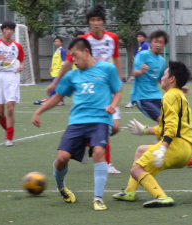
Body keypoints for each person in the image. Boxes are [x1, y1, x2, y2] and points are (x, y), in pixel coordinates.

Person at [32, 38, 122, 210]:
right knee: (62, 158)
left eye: (75, 55)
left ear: (86, 52)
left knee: (98, 152)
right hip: (77, 122)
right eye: (71, 56)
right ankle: (61, 187)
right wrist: (39, 111)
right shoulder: (72, 75)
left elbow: (118, 90)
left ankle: (98, 199)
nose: (72, 59)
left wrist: (113, 105)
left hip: (100, 121)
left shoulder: (107, 69)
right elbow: (58, 97)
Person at [46, 4, 122, 174]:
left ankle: (90, 142)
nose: (96, 23)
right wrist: (55, 82)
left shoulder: (112, 38)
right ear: (89, 23)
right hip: (91, 87)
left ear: (103, 22)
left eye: (99, 20)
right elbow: (68, 62)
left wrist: (119, 79)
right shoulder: (84, 40)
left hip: (106, 84)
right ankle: (106, 162)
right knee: (104, 122)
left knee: (115, 127)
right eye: (93, 20)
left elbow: (116, 59)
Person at [113, 61, 192, 207]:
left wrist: (163, 147)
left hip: (174, 148)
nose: (161, 78)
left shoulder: (169, 96)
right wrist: (146, 130)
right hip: (186, 149)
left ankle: (162, 197)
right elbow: (171, 126)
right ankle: (130, 191)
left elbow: (171, 126)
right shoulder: (180, 95)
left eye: (164, 74)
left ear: (172, 79)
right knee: (140, 150)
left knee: (136, 169)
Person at [130, 30, 192, 166]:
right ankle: (163, 152)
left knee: (168, 121)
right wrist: (141, 71)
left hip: (157, 96)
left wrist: (180, 88)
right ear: (150, 42)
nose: (158, 45)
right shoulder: (142, 55)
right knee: (164, 121)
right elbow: (134, 73)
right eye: (156, 41)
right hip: (142, 98)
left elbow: (163, 79)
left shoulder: (161, 61)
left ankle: (169, 152)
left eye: (161, 42)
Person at [0, 21, 25, 146]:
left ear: (13, 31)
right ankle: (7, 129)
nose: (8, 31)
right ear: (2, 31)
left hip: (11, 77)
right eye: (6, 29)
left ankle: (9, 137)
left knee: (10, 108)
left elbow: (21, 60)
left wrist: (21, 66)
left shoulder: (17, 46)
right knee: (0, 114)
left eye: (11, 29)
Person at [34, 36, 66, 105]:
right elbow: (55, 61)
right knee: (57, 87)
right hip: (54, 72)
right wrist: (51, 67)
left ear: (61, 42)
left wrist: (62, 71)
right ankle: (58, 100)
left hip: (58, 72)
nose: (56, 42)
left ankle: (54, 100)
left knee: (54, 87)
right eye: (55, 41)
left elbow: (63, 62)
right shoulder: (56, 51)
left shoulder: (62, 51)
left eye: (58, 41)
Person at [125, 31, 151, 108]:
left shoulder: (145, 45)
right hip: (140, 69)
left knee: (137, 86)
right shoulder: (139, 46)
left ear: (144, 38)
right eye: (138, 36)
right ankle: (137, 101)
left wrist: (141, 65)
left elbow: (147, 57)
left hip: (143, 70)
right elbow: (134, 56)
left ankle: (133, 102)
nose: (139, 38)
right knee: (141, 86)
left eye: (141, 36)